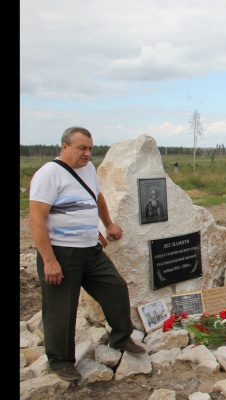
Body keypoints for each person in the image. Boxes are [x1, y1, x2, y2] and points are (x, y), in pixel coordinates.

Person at [28, 126, 146, 381]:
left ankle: (121, 338)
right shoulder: (48, 175)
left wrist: (109, 224)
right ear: (65, 146)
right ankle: (61, 361)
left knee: (115, 287)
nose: (87, 153)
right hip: (60, 252)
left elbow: (98, 198)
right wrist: (49, 261)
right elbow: (36, 220)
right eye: (82, 148)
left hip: (90, 249)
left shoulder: (88, 169)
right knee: (61, 308)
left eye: (90, 149)